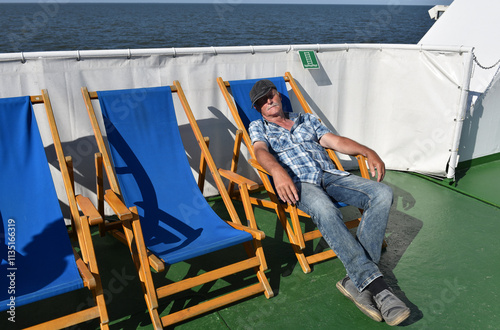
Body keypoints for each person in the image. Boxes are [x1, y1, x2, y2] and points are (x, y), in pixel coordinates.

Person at [247, 79, 410, 326]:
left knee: (382, 194)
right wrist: (277, 172)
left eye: (269, 95)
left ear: (277, 95)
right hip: (299, 183)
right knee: (326, 209)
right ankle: (379, 289)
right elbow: (260, 152)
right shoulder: (258, 126)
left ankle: (355, 281)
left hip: (330, 175)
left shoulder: (306, 119)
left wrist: (368, 151)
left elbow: (335, 141)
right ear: (258, 108)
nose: (267, 102)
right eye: (260, 101)